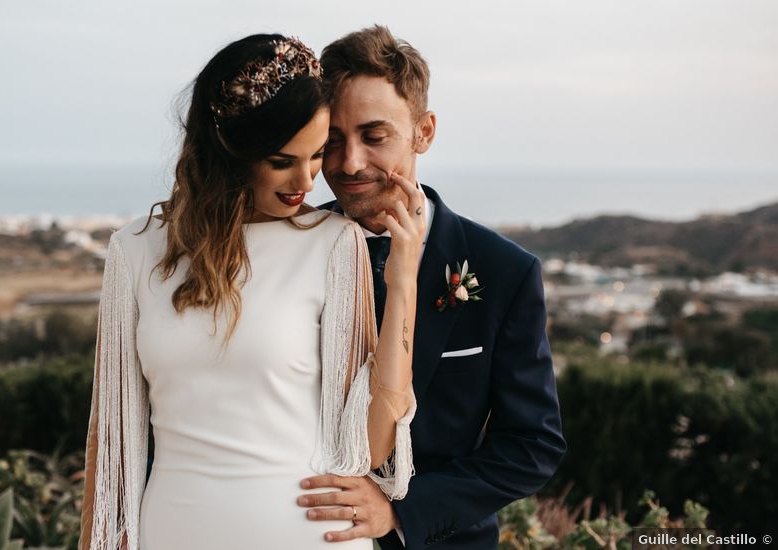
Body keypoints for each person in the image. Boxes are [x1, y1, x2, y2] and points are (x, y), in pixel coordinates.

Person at [79, 34, 427, 550]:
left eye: (316, 154)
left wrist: (402, 282)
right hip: (175, 533)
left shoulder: (335, 245)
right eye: (283, 160)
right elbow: (108, 444)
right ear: (232, 152)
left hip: (310, 538)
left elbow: (371, 448)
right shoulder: (134, 251)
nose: (307, 181)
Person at [297, 25, 567, 549]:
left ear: (424, 132)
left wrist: (403, 512)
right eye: (333, 141)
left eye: (374, 137)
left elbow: (533, 444)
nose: (349, 163)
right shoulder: (288, 251)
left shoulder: (504, 271)